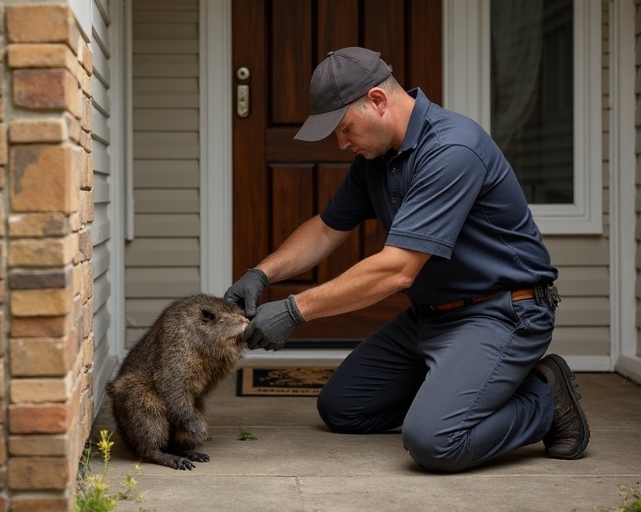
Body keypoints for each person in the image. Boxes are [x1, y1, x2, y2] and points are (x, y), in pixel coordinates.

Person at [224, 47, 589, 472]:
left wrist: (293, 310)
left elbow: (397, 270)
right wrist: (261, 272)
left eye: (345, 128)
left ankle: (545, 397)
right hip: (431, 318)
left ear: (377, 101)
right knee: (343, 407)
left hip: (502, 313)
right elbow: (326, 229)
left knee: (435, 442)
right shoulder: (378, 158)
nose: (342, 144)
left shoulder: (452, 148)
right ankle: (459, 387)